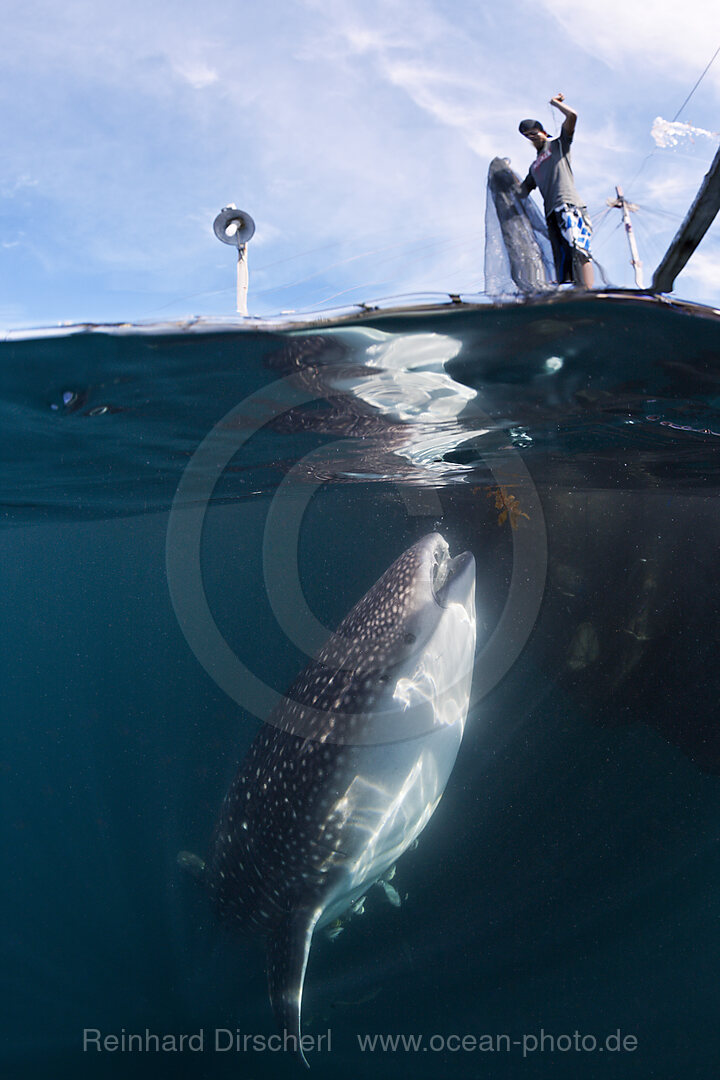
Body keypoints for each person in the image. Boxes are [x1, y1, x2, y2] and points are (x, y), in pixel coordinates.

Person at [518, 94, 594, 288]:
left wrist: (556, 104)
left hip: (568, 205)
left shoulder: (558, 145)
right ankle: (575, 298)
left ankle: (589, 293)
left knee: (579, 250)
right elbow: (520, 193)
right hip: (551, 214)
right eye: (527, 135)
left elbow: (572, 117)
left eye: (534, 132)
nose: (531, 136)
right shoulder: (534, 167)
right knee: (563, 263)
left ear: (543, 132)